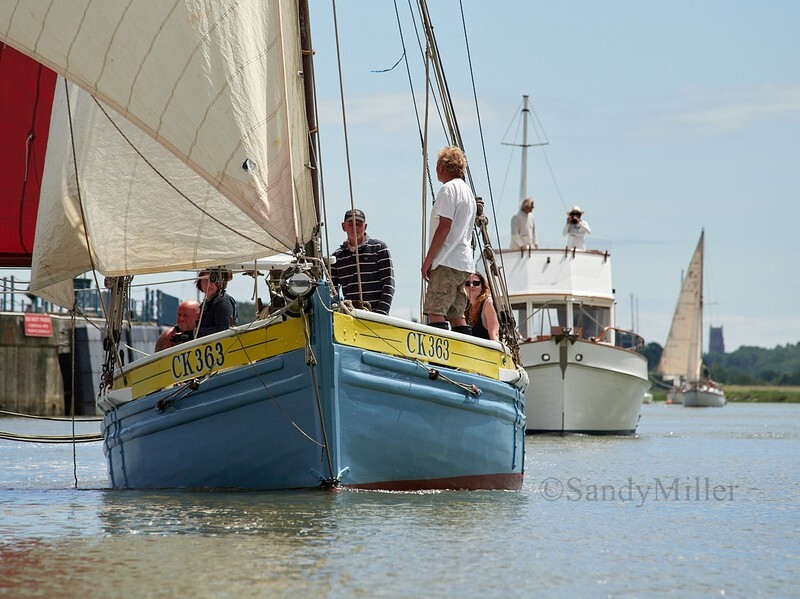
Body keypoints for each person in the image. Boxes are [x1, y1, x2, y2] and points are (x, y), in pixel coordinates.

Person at [421, 146, 476, 334]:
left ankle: (441, 361)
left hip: (446, 260)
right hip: (464, 263)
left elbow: (445, 226)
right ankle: (463, 357)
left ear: (443, 167)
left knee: (435, 310)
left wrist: (428, 260)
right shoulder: (468, 193)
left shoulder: (448, 190)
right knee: (456, 313)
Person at [330, 208, 395, 315]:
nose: (355, 227)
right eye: (351, 224)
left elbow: (389, 285)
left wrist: (381, 314)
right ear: (343, 226)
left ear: (365, 227)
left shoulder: (379, 249)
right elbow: (332, 292)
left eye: (359, 224)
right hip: (350, 316)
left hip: (376, 316)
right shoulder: (336, 257)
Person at [196, 268, 237, 337]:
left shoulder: (222, 302)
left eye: (212, 280)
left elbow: (224, 330)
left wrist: (196, 333)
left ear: (220, 283)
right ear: (200, 283)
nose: (209, 284)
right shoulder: (207, 304)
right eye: (205, 280)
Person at [464, 272, 500, 341]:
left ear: (482, 287)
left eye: (476, 283)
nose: (471, 286)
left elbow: (494, 335)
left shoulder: (487, 304)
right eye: (467, 284)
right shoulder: (465, 306)